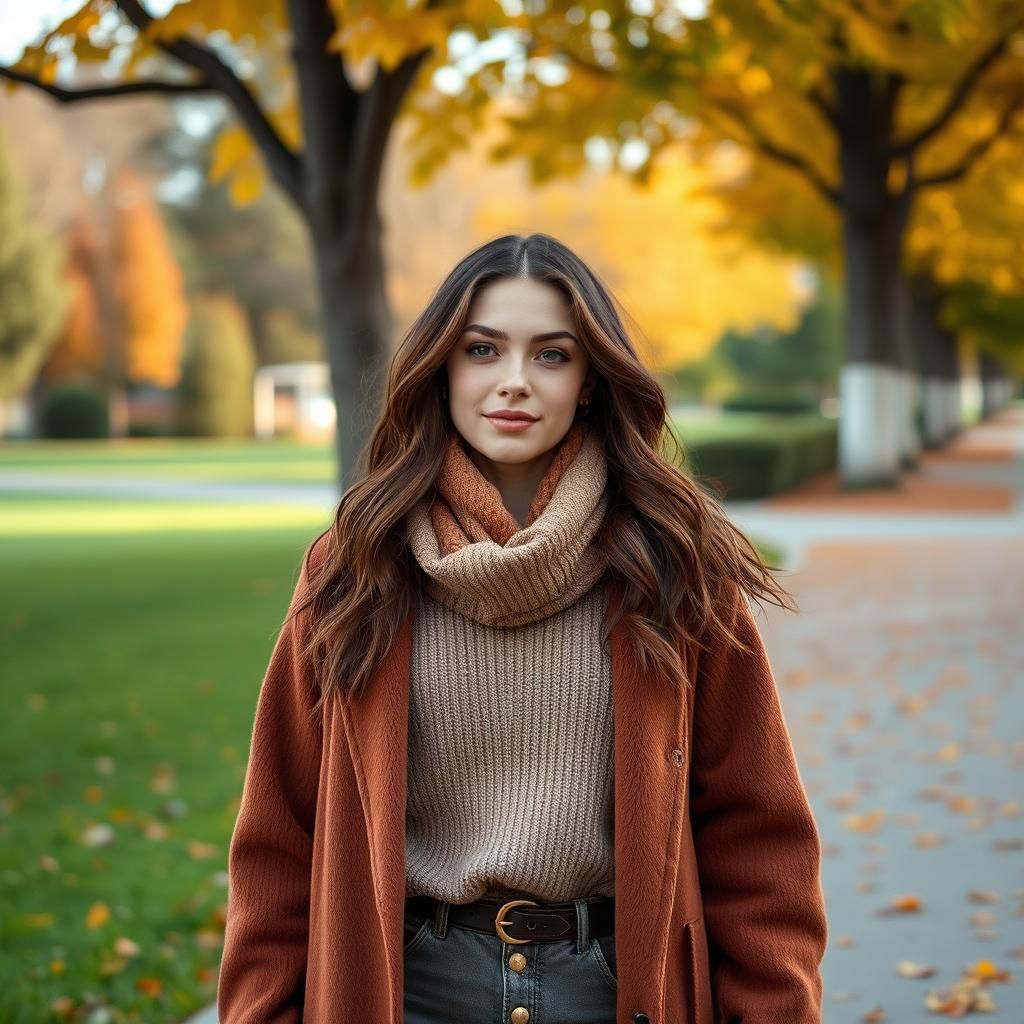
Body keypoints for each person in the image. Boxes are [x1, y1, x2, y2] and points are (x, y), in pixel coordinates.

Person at [216, 233, 828, 1024]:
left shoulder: (671, 562)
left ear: (589, 382)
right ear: (442, 371)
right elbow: (277, 838)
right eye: (482, 349)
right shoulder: (355, 565)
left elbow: (760, 839)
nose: (513, 382)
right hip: (403, 989)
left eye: (550, 355)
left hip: (616, 990)